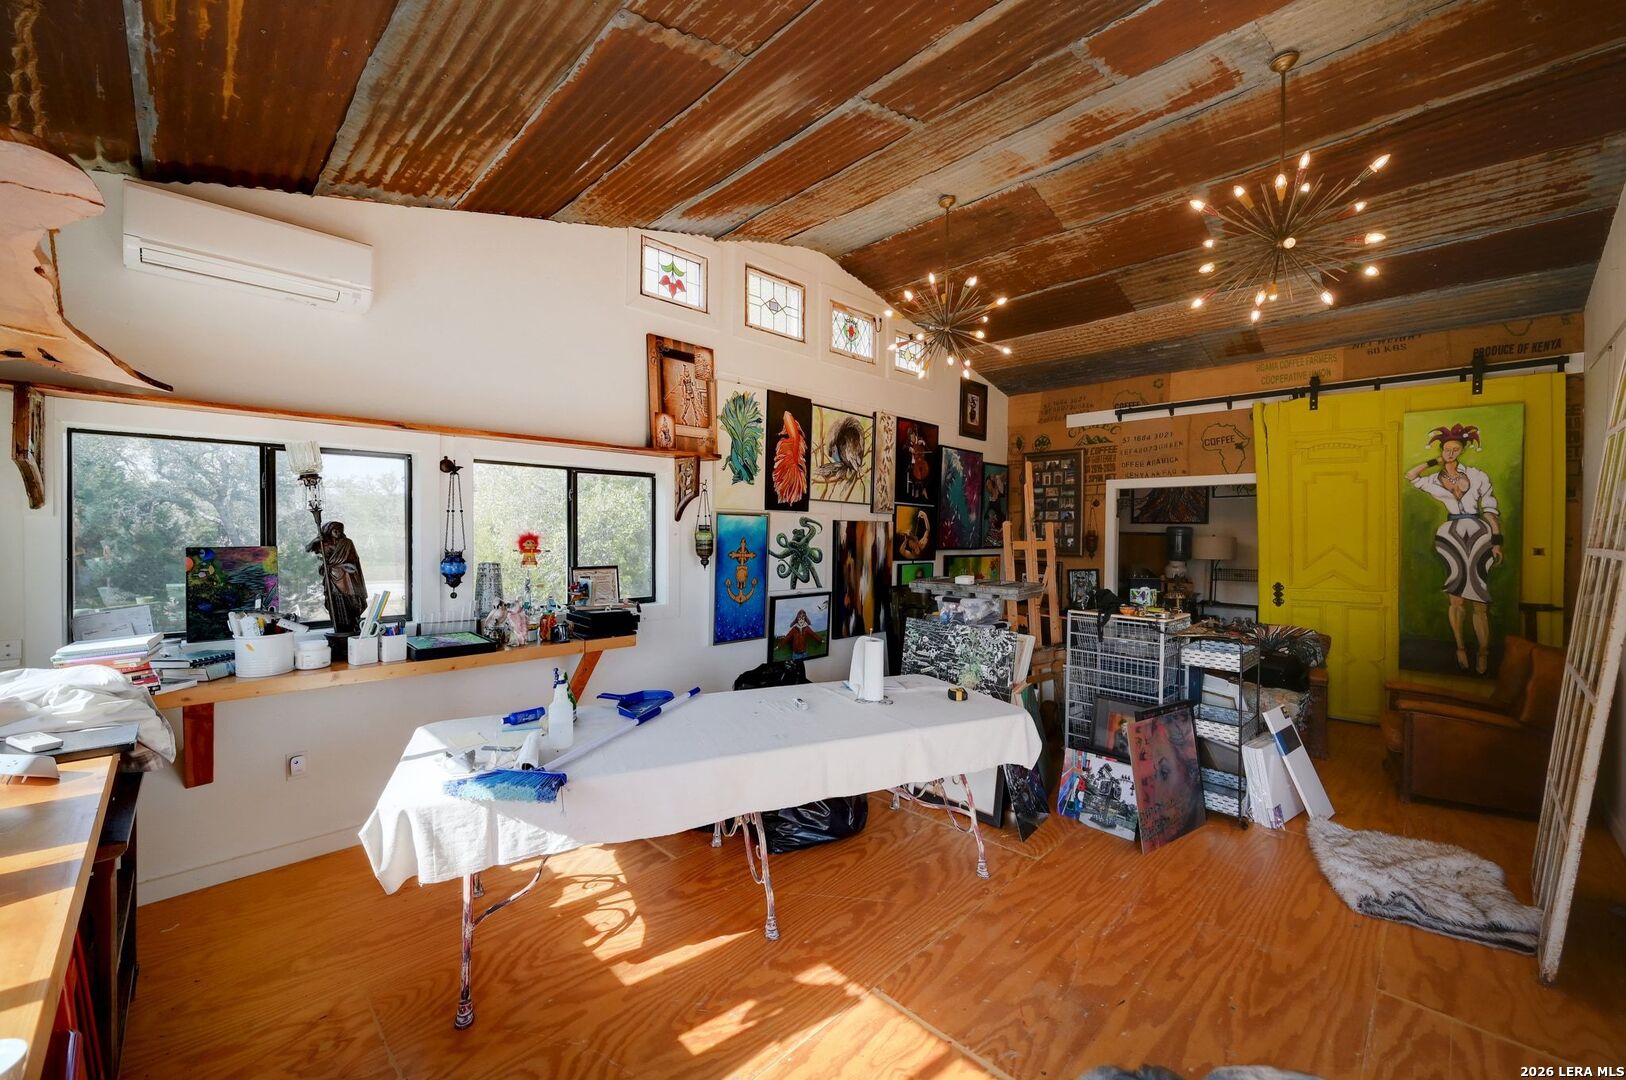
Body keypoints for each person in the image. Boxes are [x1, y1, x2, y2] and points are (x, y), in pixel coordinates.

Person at [1405, 423, 1504, 674]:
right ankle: (1460, 647)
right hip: (1450, 535)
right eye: (1447, 449)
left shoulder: (1477, 475)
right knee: (1456, 594)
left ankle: (1483, 652)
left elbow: (1490, 509)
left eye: (1455, 449)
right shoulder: (1434, 479)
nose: (1450, 453)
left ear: (1462, 450)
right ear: (1442, 451)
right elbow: (1411, 476)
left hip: (1479, 532)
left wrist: (1496, 541)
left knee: (1479, 598)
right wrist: (1434, 462)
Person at [308, 520, 368, 635]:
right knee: (336, 601)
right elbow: (308, 549)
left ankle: (353, 625)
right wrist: (316, 540)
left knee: (353, 600)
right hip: (332, 577)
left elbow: (354, 559)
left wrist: (342, 564)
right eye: (335, 530)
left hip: (347, 577)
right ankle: (340, 628)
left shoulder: (347, 543)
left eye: (340, 530)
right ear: (329, 531)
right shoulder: (324, 544)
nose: (338, 532)